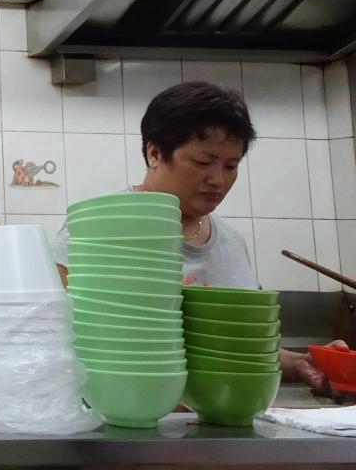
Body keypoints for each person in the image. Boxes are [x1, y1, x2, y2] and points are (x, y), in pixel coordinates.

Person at [50, 81, 349, 396]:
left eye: (231, 166)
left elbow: (239, 349)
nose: (218, 179)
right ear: (154, 152)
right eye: (203, 162)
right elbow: (53, 341)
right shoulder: (99, 227)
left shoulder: (232, 243)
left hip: (215, 417)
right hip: (122, 414)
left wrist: (302, 363)